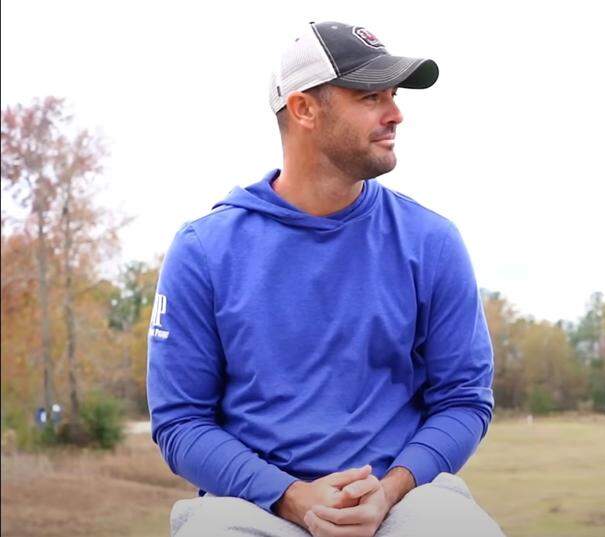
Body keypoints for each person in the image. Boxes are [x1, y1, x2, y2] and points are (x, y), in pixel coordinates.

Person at [147, 21, 503, 537]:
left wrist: (390, 489)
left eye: (394, 95)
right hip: (255, 506)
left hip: (403, 502)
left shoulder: (431, 241)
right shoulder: (203, 250)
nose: (395, 113)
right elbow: (180, 422)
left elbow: (464, 400)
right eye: (370, 96)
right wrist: (292, 497)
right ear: (304, 109)